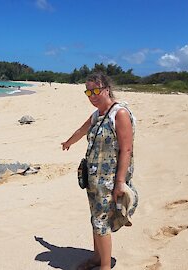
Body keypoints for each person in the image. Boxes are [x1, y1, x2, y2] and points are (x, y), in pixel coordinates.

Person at [61, 72, 138, 270]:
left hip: (110, 180)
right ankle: (97, 258)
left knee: (101, 221)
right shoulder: (98, 114)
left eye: (96, 91)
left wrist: (120, 182)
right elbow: (82, 130)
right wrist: (68, 142)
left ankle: (105, 266)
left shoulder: (119, 113)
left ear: (106, 89)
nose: (92, 96)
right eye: (88, 92)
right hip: (94, 180)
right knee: (95, 218)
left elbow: (126, 149)